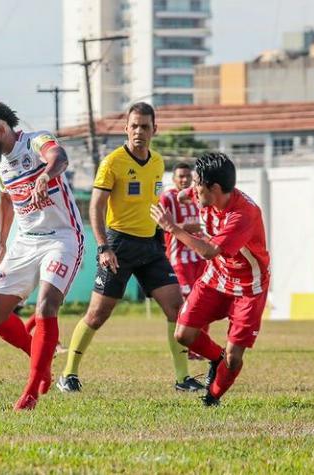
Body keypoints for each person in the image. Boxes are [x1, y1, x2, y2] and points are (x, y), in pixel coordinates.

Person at [57, 102, 204, 393]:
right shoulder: (112, 162)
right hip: (118, 245)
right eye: (134, 126)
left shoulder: (158, 162)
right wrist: (102, 247)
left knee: (176, 308)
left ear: (154, 130)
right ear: (126, 128)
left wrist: (171, 227)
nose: (139, 131)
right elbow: (96, 209)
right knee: (98, 314)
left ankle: (182, 378)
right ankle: (68, 374)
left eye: (145, 126)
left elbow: (153, 203)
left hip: (151, 245)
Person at [0, 99, 84, 411]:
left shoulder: (35, 141)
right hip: (25, 242)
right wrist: (3, 243)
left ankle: (32, 389)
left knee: (47, 304)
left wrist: (45, 176)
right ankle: (40, 358)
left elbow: (59, 157)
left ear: (1, 129)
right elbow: (5, 199)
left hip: (62, 238)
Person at [150, 152, 270, 406]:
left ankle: (212, 397)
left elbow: (208, 251)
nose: (192, 188)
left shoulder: (243, 215)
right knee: (183, 334)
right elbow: (186, 194)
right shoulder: (203, 192)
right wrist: (181, 194)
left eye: (196, 183)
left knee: (234, 356)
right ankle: (216, 360)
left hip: (249, 286)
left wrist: (172, 228)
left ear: (214, 188)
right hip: (216, 276)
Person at [158, 162, 208, 360]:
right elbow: (163, 225)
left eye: (188, 176)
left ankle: (200, 346)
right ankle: (186, 345)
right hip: (179, 258)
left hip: (201, 256)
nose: (184, 180)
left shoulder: (198, 194)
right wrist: (188, 227)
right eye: (180, 176)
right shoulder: (168, 197)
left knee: (204, 301)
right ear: (173, 179)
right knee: (187, 303)